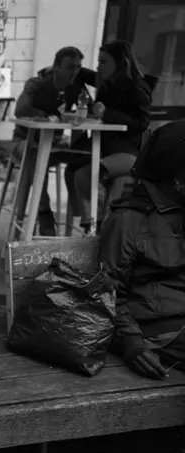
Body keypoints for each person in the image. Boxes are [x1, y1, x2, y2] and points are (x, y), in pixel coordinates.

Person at [99, 119, 185, 381]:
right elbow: (109, 293)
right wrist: (132, 344)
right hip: (160, 331)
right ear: (176, 177)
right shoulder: (129, 219)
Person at [65, 40, 153, 234]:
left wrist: (107, 114)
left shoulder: (137, 88)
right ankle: (93, 228)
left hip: (129, 154)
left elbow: (142, 123)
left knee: (88, 175)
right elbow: (86, 74)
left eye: (104, 62)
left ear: (120, 63)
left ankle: (96, 228)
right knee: (76, 171)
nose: (99, 66)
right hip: (108, 150)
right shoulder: (108, 83)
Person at [12, 46, 97, 236]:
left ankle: (83, 220)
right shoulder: (36, 84)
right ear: (56, 67)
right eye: (69, 67)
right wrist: (46, 116)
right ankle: (44, 213)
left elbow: (89, 111)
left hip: (55, 143)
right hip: (24, 141)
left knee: (84, 157)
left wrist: (80, 113)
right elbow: (20, 110)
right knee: (35, 157)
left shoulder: (75, 87)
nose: (74, 72)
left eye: (78, 67)